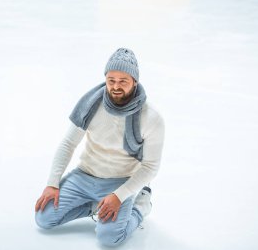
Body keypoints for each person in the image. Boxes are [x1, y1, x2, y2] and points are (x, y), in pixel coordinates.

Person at [34, 48, 165, 247]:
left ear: (135, 82)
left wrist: (119, 196)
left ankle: (139, 207)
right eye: (111, 80)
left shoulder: (152, 117)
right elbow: (68, 143)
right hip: (85, 176)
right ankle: (96, 206)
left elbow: (150, 167)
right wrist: (52, 183)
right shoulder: (92, 104)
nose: (116, 86)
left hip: (120, 182)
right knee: (43, 218)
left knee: (109, 238)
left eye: (123, 81)